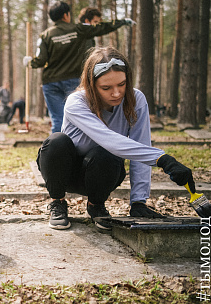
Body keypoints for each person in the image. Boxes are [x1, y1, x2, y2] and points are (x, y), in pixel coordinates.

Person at [36, 47, 196, 232]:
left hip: (102, 173)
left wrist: (138, 201)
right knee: (56, 142)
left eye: (122, 84)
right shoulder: (76, 102)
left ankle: (96, 205)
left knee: (106, 153)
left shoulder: (136, 100)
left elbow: (140, 145)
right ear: (91, 85)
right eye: (106, 87)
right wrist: (162, 159)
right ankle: (58, 202)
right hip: (65, 173)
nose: (117, 93)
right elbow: (108, 138)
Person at [24, 1, 135, 134]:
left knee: (58, 119)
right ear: (66, 15)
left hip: (51, 82)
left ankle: (57, 151)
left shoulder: (46, 35)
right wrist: (122, 22)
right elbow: (101, 27)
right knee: (79, 119)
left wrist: (30, 62)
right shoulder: (79, 29)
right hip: (73, 81)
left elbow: (40, 61)